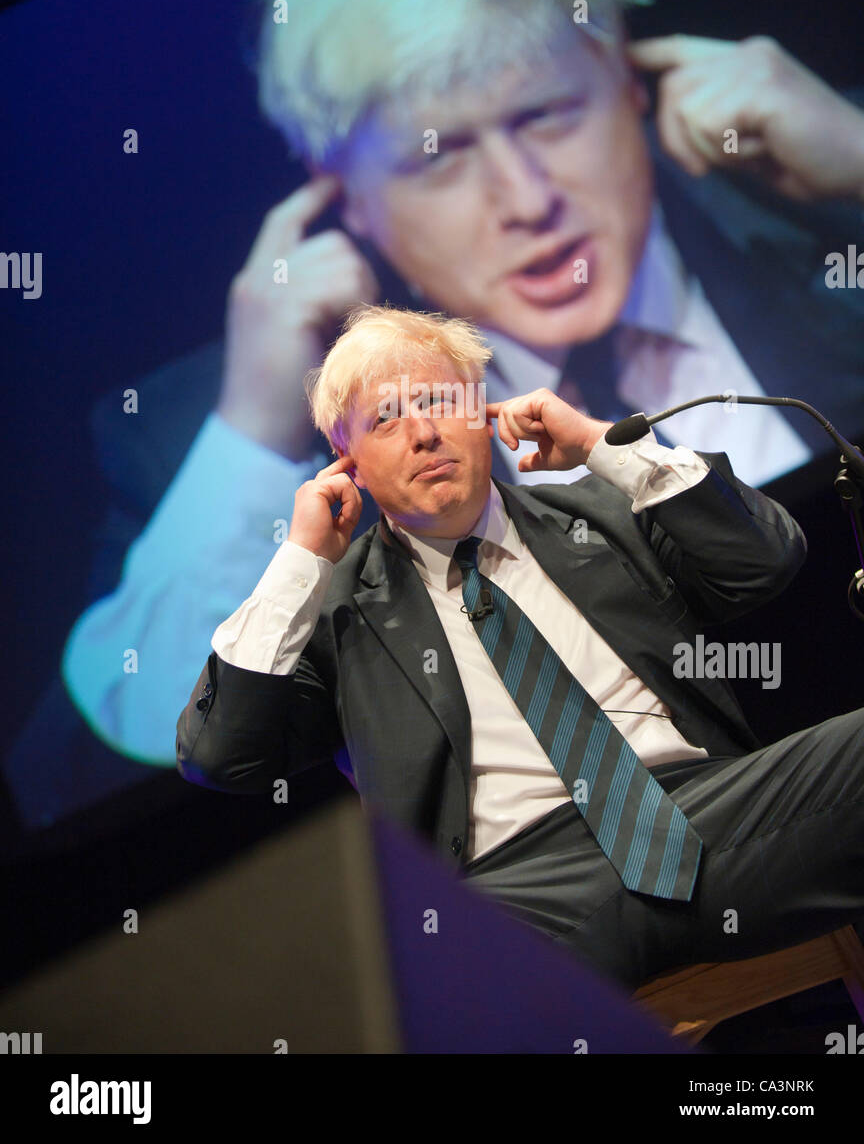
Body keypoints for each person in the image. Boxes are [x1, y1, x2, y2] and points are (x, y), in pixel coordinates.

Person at [55, 0, 864, 781]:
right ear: (343, 198)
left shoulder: (829, 207)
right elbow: (108, 770)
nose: (528, 200)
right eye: (438, 158)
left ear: (631, 78)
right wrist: (251, 431)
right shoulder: (211, 429)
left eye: (548, 114)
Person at [177, 305, 864, 992]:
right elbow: (221, 755)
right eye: (387, 419)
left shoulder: (604, 511)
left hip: (707, 817)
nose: (423, 433)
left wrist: (603, 446)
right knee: (392, 976)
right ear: (347, 464)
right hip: (518, 894)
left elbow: (763, 559)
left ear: (483, 415)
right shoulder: (337, 615)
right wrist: (301, 559)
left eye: (443, 401)